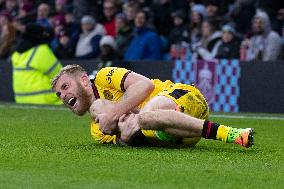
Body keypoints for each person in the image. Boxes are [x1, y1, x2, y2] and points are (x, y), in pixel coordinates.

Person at [51, 64, 254, 148]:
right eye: (59, 94)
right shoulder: (97, 131)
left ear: (85, 81)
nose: (63, 95)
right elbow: (141, 142)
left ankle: (229, 134)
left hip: (184, 98)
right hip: (181, 135)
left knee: (145, 115)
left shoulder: (105, 76)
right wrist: (129, 136)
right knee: (143, 120)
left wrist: (114, 115)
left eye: (65, 86)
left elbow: (145, 85)